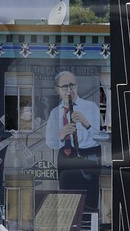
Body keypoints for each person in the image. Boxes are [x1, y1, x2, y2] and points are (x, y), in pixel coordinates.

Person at [44, 71, 106, 207]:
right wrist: (61, 136)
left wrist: (87, 124)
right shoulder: (55, 113)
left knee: (89, 199)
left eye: (72, 85)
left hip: (88, 156)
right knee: (68, 198)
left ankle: (89, 226)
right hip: (65, 157)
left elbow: (103, 137)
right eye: (65, 87)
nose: (69, 90)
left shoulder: (91, 107)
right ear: (57, 90)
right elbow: (50, 142)